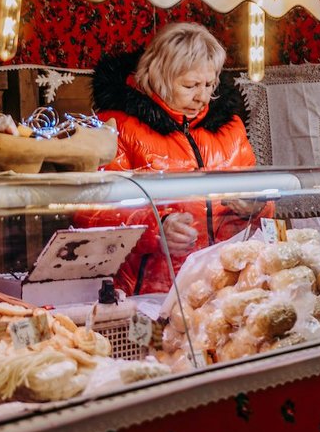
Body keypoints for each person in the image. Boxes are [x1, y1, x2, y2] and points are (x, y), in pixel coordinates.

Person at [83, 22, 258, 295]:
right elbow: (93, 211)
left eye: (209, 84)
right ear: (159, 76)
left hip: (224, 289)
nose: (202, 97)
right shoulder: (116, 127)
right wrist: (157, 226)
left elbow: (262, 194)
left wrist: (254, 205)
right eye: (190, 85)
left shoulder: (231, 129)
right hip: (149, 293)